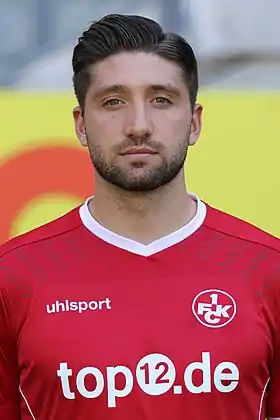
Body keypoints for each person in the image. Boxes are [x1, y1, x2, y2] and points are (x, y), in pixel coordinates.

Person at [0, 13, 279, 420]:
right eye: (113, 101)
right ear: (81, 125)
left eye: (161, 100)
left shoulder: (268, 270)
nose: (138, 125)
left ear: (195, 122)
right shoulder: (13, 278)